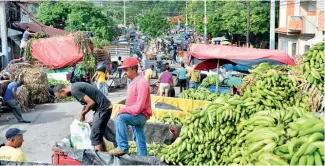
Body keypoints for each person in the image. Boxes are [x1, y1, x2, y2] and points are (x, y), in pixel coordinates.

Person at [53, 82, 116, 151]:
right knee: (101, 132)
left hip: (103, 109)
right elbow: (86, 103)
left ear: (62, 90)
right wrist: (82, 115)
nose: (63, 98)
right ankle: (118, 146)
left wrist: (83, 114)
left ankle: (100, 158)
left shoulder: (74, 91)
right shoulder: (75, 86)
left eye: (62, 96)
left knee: (95, 137)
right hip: (104, 108)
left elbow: (91, 102)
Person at [109, 57, 152, 156]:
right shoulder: (134, 81)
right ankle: (143, 158)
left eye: (126, 70)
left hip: (140, 114)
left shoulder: (141, 82)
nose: (124, 72)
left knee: (120, 119)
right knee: (138, 136)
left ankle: (122, 147)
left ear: (133, 68)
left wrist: (122, 110)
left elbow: (139, 108)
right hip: (137, 114)